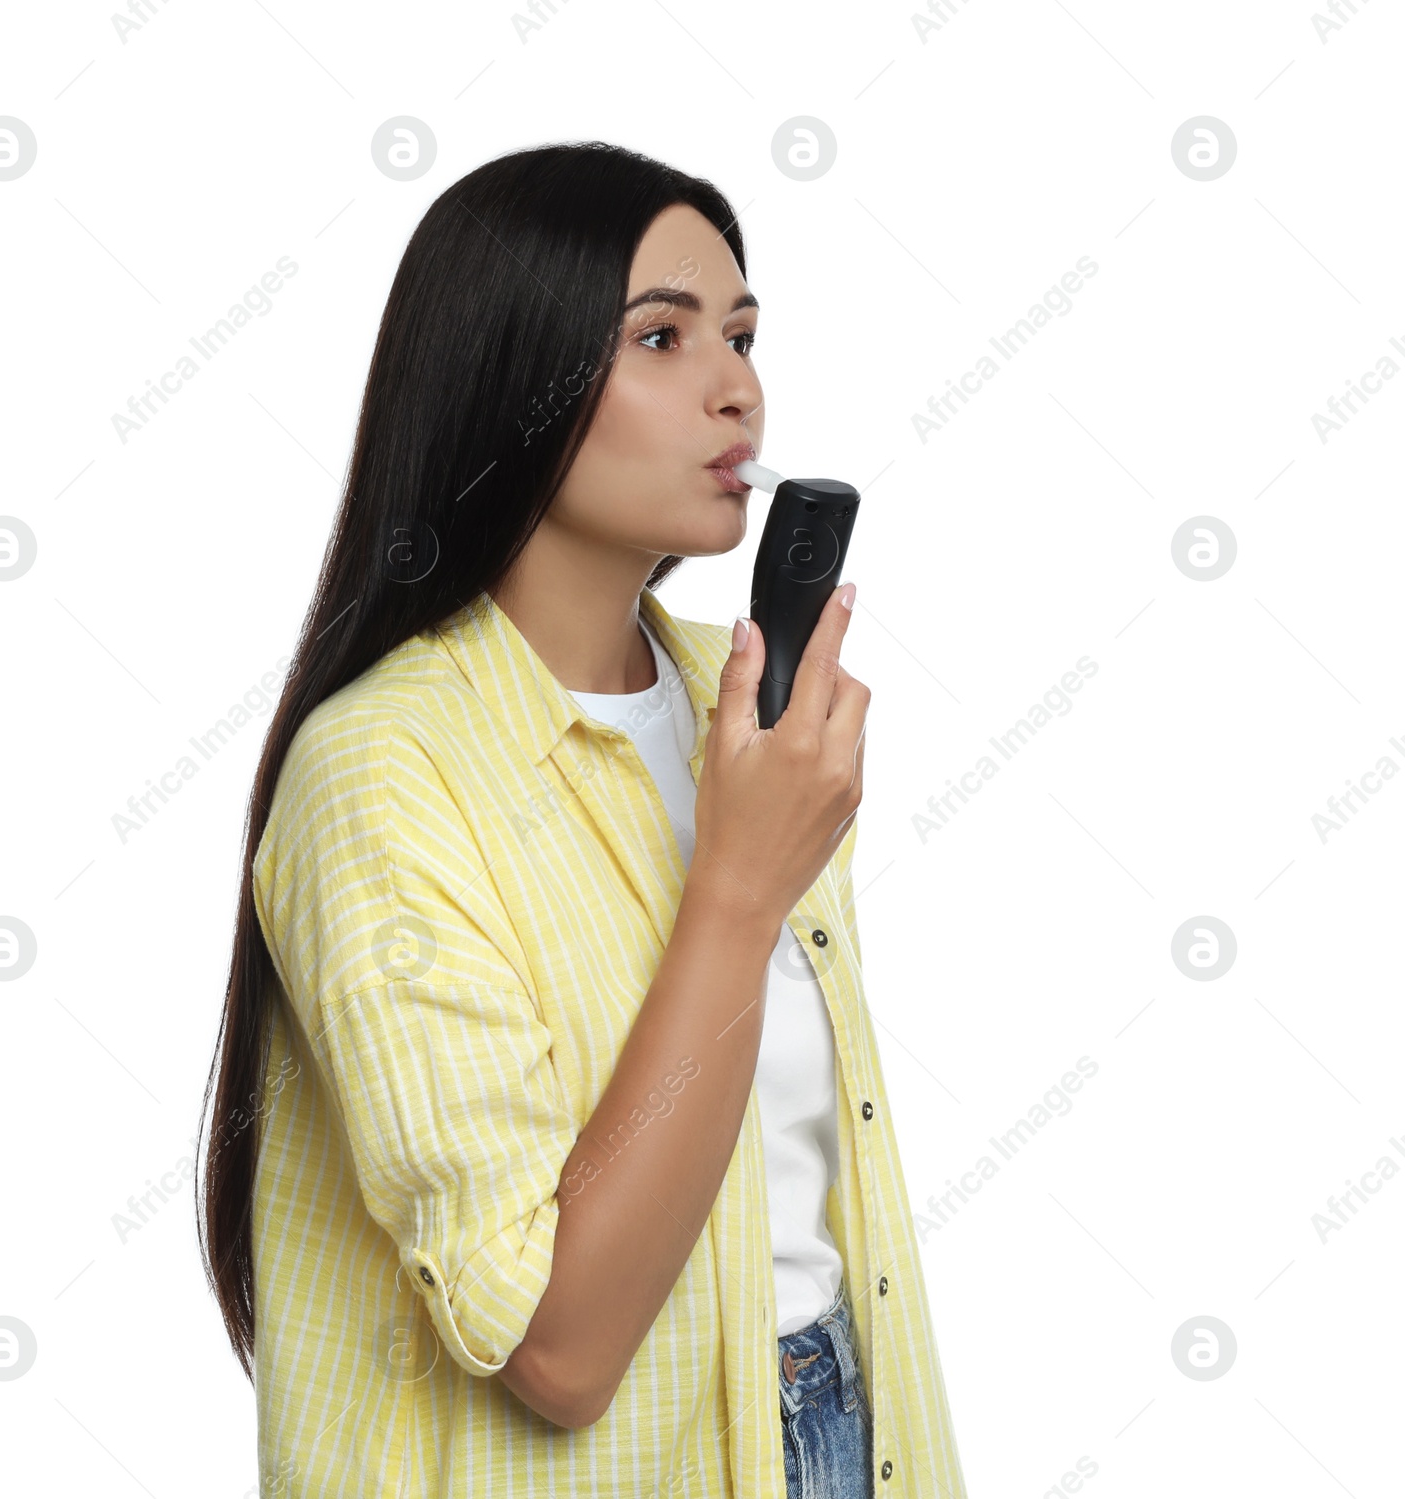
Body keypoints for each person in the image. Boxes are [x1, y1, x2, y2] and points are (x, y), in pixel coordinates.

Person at [198, 139, 968, 1499]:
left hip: (832, 1420)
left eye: (740, 333)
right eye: (662, 339)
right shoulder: (382, 775)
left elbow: (801, 1191)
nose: (738, 388)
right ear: (510, 380)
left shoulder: (731, 705)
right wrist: (737, 887)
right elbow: (555, 1345)